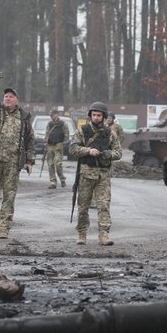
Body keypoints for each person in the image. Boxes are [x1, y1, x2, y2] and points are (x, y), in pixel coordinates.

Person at [0, 70, 34, 239]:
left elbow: (29, 140)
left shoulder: (23, 117)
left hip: (12, 163)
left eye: (11, 96)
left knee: (9, 197)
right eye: (6, 96)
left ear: (17, 100)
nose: (7, 98)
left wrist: (29, 161)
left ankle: (4, 229)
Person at [70, 101, 121, 245]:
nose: (96, 117)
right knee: (83, 206)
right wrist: (88, 151)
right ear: (90, 116)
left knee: (104, 205)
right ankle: (81, 233)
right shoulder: (82, 131)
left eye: (99, 115)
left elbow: (118, 153)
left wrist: (106, 154)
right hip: (86, 174)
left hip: (103, 175)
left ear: (104, 117)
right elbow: (73, 149)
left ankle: (103, 235)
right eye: (94, 115)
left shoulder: (109, 133)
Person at [44, 110, 69, 189]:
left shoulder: (63, 124)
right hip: (50, 146)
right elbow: (47, 134)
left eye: (53, 115)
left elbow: (66, 136)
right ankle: (53, 182)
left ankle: (62, 179)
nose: (52, 117)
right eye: (51, 116)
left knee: (58, 164)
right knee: (50, 164)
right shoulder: (50, 124)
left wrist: (62, 144)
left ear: (57, 115)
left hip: (58, 146)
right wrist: (46, 142)